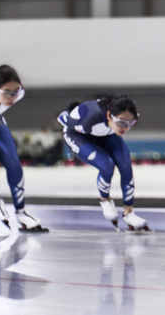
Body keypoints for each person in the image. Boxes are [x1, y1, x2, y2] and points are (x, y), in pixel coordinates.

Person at [57, 95, 151, 232]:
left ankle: (129, 213)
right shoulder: (87, 121)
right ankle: (105, 200)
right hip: (78, 135)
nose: (125, 127)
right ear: (109, 115)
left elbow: (119, 125)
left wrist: (118, 124)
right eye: (121, 122)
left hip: (107, 132)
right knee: (107, 165)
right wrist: (68, 110)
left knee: (126, 166)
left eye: (130, 123)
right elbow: (62, 118)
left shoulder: (116, 124)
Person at [0, 65, 48, 232]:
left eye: (16, 91)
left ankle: (21, 212)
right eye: (7, 93)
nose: (12, 97)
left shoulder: (19, 92)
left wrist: (12, 92)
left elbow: (9, 95)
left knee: (13, 161)